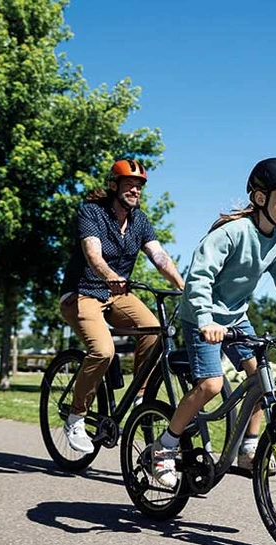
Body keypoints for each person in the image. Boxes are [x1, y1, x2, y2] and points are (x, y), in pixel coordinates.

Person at [150, 157, 276, 487]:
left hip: (236, 317)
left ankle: (248, 450)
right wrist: (205, 320)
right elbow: (199, 277)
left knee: (262, 377)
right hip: (202, 316)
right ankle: (165, 445)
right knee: (211, 385)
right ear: (261, 198)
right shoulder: (232, 233)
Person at [60, 158, 185, 454]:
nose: (136, 190)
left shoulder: (139, 220)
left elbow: (159, 256)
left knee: (154, 331)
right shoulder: (91, 212)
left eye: (139, 186)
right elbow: (93, 254)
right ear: (114, 186)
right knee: (103, 351)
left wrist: (183, 286)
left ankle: (140, 397)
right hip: (83, 292)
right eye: (130, 184)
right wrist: (111, 276)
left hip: (118, 294)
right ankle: (76, 416)